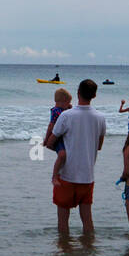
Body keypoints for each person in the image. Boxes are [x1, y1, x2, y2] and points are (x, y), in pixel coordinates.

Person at [50, 79, 106, 235]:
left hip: (66, 175)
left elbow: (51, 141)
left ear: (78, 93)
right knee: (87, 219)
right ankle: (88, 251)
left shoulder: (67, 115)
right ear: (94, 95)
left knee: (63, 221)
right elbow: (99, 146)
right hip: (87, 176)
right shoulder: (100, 117)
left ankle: (65, 251)